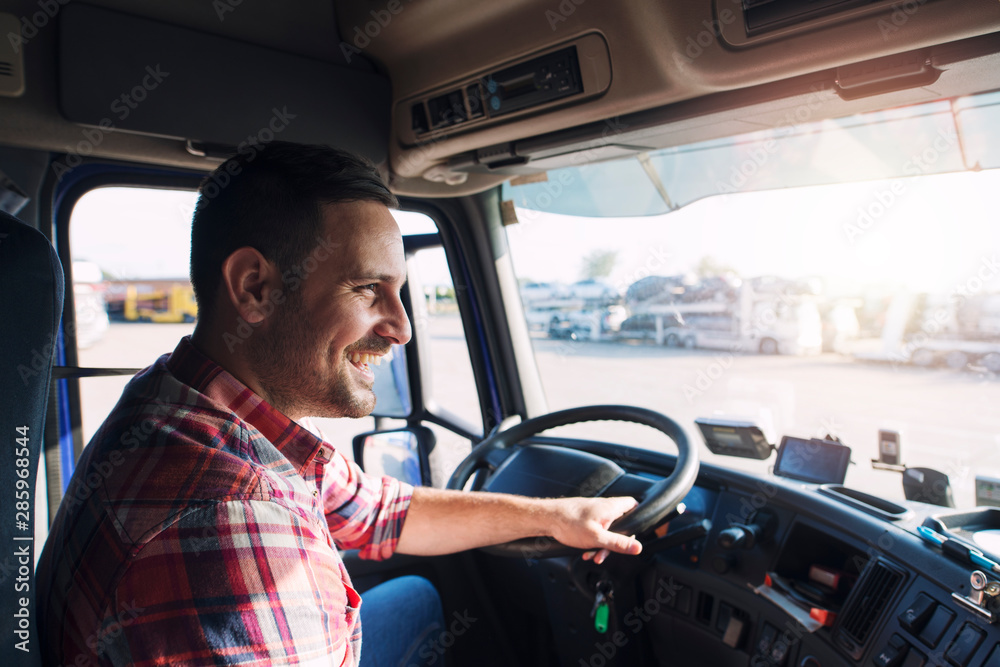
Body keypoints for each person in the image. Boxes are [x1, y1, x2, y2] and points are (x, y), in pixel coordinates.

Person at [36, 142, 642, 666]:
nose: (401, 329)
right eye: (367, 290)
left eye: (399, 293)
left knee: (417, 597)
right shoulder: (235, 522)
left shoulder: (187, 396)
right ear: (255, 288)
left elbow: (377, 510)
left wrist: (553, 517)